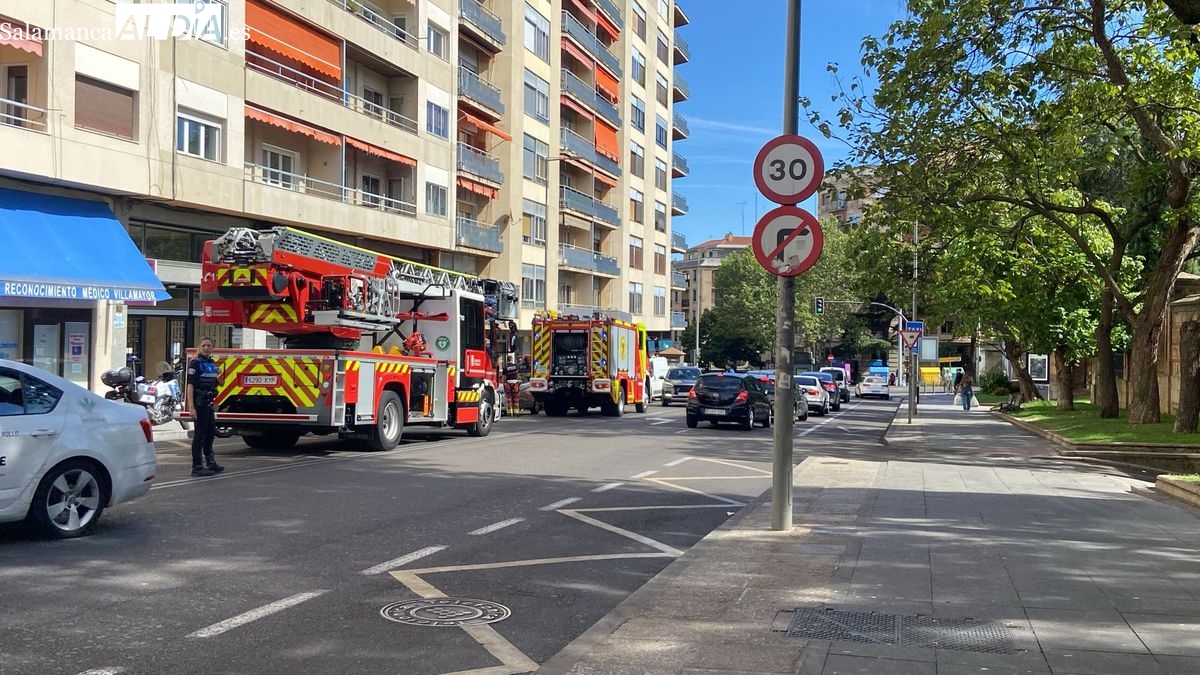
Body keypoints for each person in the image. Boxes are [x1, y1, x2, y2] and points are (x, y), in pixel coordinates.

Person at [186, 337, 224, 477]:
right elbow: (190, 386)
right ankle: (197, 466)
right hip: (199, 404)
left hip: (209, 403)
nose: (206, 348)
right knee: (199, 435)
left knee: (210, 433)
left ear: (212, 347)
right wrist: (191, 407)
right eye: (203, 346)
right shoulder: (195, 363)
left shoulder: (211, 363)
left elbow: (216, 383)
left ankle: (210, 462)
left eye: (208, 345)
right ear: (199, 347)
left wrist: (219, 376)